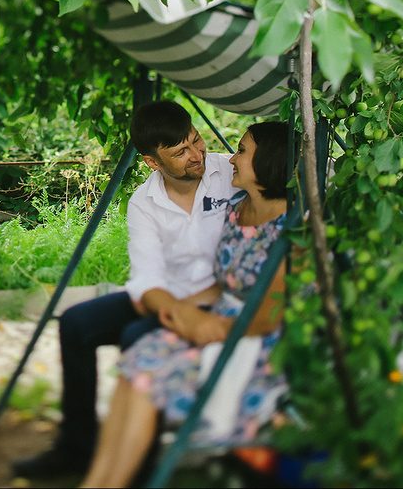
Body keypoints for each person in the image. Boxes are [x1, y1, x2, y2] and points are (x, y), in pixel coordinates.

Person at [12, 100, 239, 478]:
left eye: (196, 141)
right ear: (153, 162)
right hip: (165, 297)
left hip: (217, 298)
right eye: (180, 152)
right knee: (75, 323)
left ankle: (139, 463)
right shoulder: (143, 203)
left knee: (137, 337)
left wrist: (189, 308)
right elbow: (146, 277)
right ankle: (77, 447)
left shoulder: (229, 173)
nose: (196, 155)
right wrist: (174, 309)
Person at [80, 121, 290, 488]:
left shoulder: (292, 227)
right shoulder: (236, 206)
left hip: (258, 338)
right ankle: (96, 480)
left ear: (269, 162)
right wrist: (183, 311)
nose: (229, 159)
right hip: (208, 307)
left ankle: (118, 481)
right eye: (181, 151)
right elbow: (220, 284)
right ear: (153, 162)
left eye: (241, 151)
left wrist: (212, 327)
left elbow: (269, 314)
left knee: (146, 370)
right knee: (129, 359)